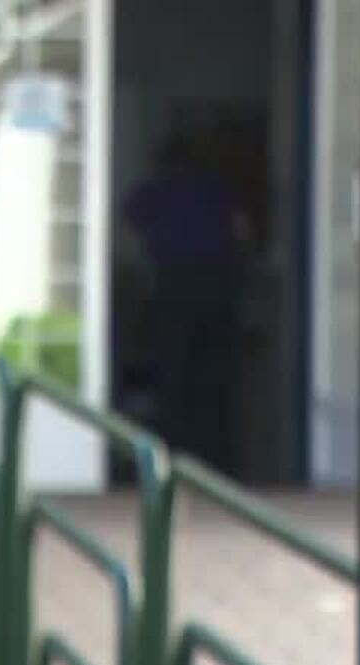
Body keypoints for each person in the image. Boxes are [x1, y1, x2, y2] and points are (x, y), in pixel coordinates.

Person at [123, 131, 250, 472]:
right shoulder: (217, 189)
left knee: (172, 374)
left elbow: (128, 221)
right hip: (217, 287)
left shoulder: (155, 190)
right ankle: (217, 461)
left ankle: (170, 461)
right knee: (214, 377)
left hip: (174, 286)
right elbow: (242, 232)